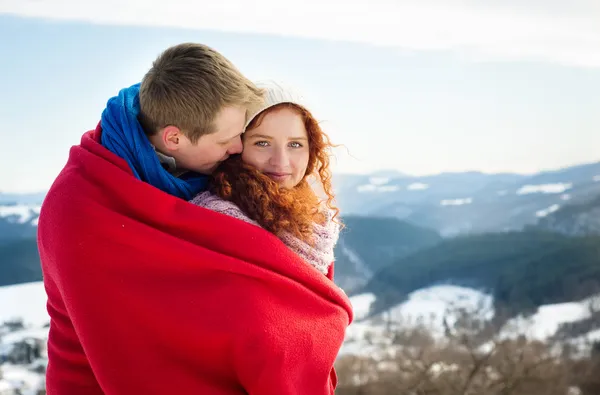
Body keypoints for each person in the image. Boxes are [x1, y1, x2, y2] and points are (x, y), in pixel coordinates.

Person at [37, 43, 353, 395]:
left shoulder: (196, 167)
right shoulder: (84, 205)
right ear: (174, 139)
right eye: (233, 139)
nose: (237, 149)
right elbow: (141, 326)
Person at [191, 81, 341, 278]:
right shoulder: (214, 220)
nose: (280, 161)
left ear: (311, 151)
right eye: (262, 143)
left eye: (295, 144)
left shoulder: (315, 221)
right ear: (237, 146)